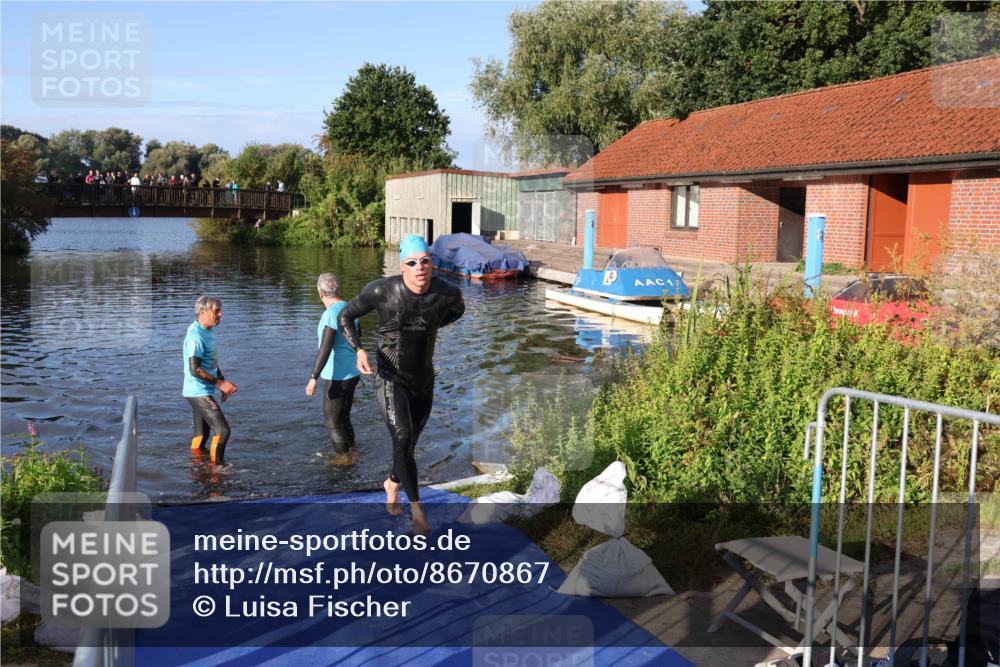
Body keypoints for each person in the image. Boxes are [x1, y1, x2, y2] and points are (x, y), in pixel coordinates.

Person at [338, 234, 464, 534]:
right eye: (412, 262)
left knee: (407, 444)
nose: (419, 267)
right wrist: (358, 349)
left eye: (425, 261)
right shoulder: (381, 290)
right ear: (402, 266)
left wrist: (431, 325)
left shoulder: (446, 294)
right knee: (404, 437)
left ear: (431, 264)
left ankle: (392, 484)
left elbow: (458, 310)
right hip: (389, 377)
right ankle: (418, 511)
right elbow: (346, 315)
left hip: (424, 380)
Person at [305, 274, 360, 465]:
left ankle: (344, 459)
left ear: (320, 293)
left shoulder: (330, 314)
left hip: (337, 375)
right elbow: (357, 338)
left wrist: (313, 377)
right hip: (353, 372)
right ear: (338, 290)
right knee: (344, 417)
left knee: (332, 422)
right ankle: (352, 450)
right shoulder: (350, 307)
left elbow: (325, 347)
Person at [183, 296, 238, 464]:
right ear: (202, 312)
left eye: (220, 310)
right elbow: (195, 369)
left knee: (202, 434)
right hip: (197, 390)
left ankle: (196, 464)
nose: (221, 314)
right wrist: (220, 384)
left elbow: (210, 362)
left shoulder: (207, 331)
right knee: (223, 431)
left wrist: (221, 380)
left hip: (202, 389)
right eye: (216, 311)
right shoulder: (196, 336)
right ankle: (216, 471)